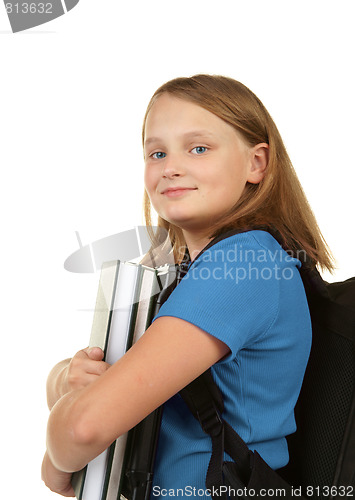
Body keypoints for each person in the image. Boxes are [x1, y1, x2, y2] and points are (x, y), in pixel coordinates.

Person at [41, 74, 334, 498]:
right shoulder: (184, 269)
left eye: (199, 148)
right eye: (157, 152)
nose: (171, 167)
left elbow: (84, 427)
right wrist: (67, 378)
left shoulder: (242, 263)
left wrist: (55, 461)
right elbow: (83, 397)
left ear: (257, 163)